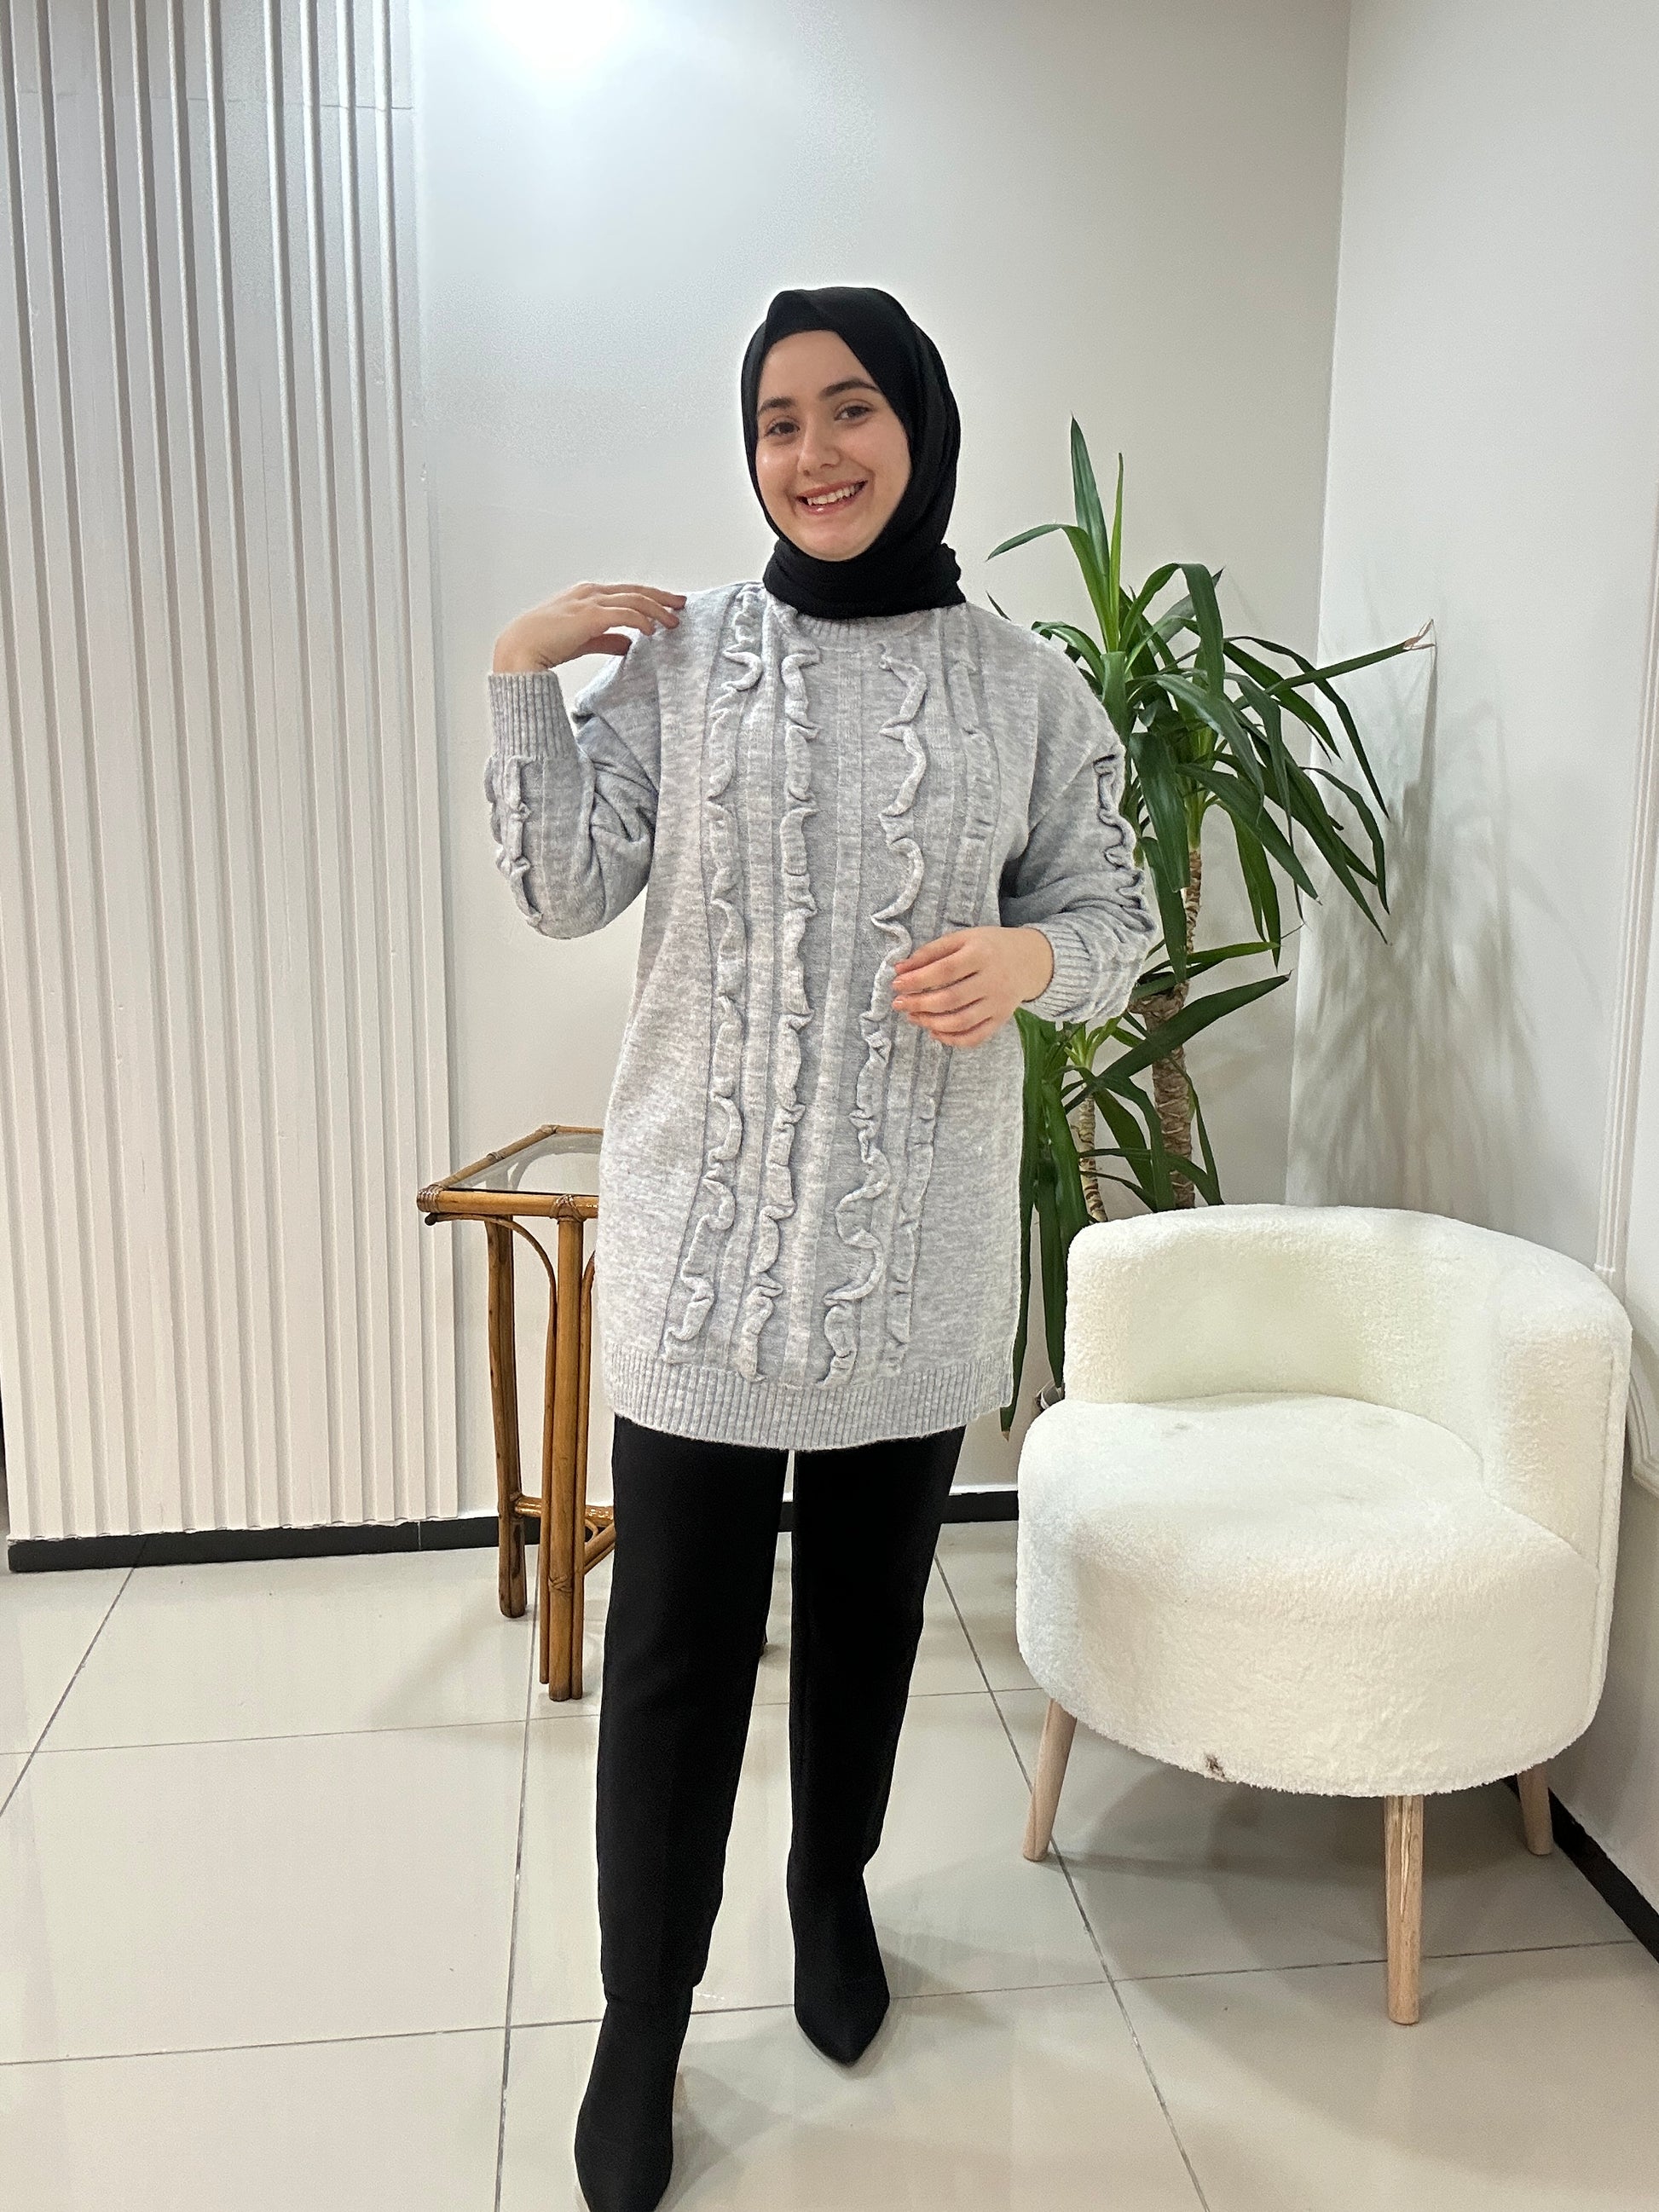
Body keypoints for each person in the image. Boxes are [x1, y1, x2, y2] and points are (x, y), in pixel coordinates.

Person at [485, 285, 1157, 2212]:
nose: (813, 452)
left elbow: (1109, 918)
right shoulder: (690, 660)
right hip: (701, 1258)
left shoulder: (1026, 687)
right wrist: (521, 672)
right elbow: (563, 886)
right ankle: (640, 2018)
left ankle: (830, 1889)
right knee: (675, 1656)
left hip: (911, 1254)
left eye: (849, 408)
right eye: (777, 420)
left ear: (917, 422)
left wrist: (1028, 958)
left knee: (865, 1625)